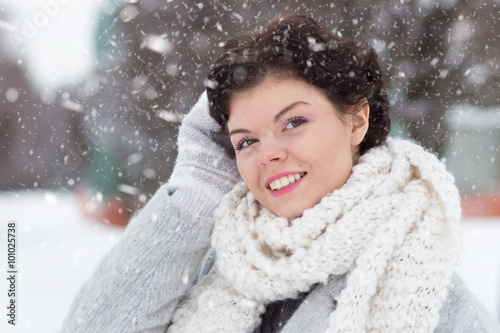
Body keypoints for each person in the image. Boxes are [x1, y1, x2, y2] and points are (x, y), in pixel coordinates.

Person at [62, 13, 499, 332]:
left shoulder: (431, 300)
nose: (267, 154)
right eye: (246, 141)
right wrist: (197, 187)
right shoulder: (217, 264)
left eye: (293, 123)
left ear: (357, 120)